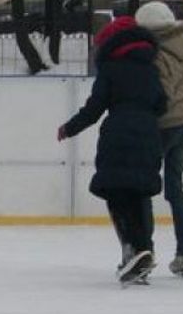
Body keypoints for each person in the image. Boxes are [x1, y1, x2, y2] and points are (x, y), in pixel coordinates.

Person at [57, 16, 166, 284]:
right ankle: (143, 249)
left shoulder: (111, 69)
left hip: (118, 135)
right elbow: (162, 104)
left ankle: (134, 249)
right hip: (149, 135)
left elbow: (95, 108)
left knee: (116, 192)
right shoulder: (151, 68)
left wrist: (69, 128)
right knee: (138, 193)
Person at [135, 1, 183, 276]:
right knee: (175, 189)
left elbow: (161, 93)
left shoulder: (156, 53)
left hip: (161, 126)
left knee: (143, 187)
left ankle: (144, 251)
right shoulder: (181, 46)